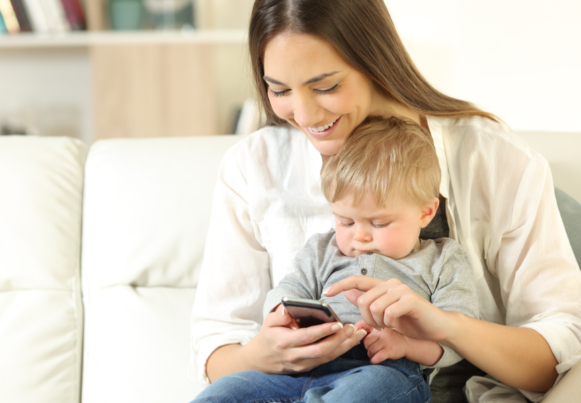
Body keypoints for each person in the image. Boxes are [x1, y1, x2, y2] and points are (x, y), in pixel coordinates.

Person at [190, 0, 581, 401]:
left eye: (325, 86)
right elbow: (217, 346)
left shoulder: (494, 159)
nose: (304, 114)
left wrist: (446, 326)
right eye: (280, 90)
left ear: (374, 60)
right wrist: (263, 353)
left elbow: (559, 348)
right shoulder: (253, 167)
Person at [192, 116, 480, 402]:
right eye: (346, 221)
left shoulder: (443, 259)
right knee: (227, 391)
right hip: (299, 371)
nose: (360, 237)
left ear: (425, 213)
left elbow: (455, 342)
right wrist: (285, 316)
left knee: (361, 395)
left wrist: (404, 345)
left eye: (379, 224)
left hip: (382, 371)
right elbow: (288, 290)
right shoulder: (322, 249)